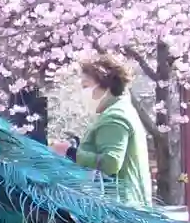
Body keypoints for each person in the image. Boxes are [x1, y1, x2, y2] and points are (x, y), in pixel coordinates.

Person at [50, 52, 153, 208]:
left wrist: (70, 152)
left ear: (106, 85)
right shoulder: (121, 109)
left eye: (86, 86)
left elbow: (111, 162)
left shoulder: (115, 116)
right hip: (128, 205)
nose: (82, 92)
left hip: (119, 208)